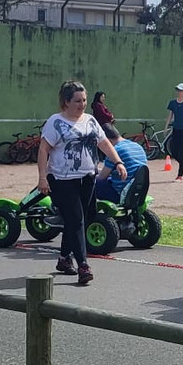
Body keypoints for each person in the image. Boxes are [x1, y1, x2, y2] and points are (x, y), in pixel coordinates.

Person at [38, 80, 128, 286]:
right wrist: (42, 177)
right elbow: (44, 149)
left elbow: (104, 143)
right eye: (77, 100)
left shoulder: (90, 121)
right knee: (76, 219)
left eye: (84, 100)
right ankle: (83, 266)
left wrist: (118, 162)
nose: (82, 104)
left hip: (87, 177)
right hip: (62, 179)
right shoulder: (55, 122)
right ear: (66, 101)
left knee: (80, 219)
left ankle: (63, 259)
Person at [94, 123, 147, 203]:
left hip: (120, 193)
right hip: (138, 191)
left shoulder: (114, 151)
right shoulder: (137, 146)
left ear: (108, 141)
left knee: (89, 183)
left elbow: (102, 177)